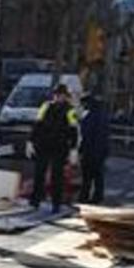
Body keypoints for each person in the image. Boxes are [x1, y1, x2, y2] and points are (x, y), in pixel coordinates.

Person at [28, 83, 79, 212]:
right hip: (43, 145)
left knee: (57, 176)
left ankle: (56, 203)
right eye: (56, 95)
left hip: (60, 147)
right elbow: (37, 124)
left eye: (61, 95)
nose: (58, 97)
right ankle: (35, 201)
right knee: (39, 174)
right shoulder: (45, 106)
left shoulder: (70, 110)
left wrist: (73, 148)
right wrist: (30, 141)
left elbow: (74, 130)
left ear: (65, 96)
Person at [78, 93, 111, 204]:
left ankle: (84, 196)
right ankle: (97, 196)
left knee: (87, 176)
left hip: (91, 150)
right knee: (98, 175)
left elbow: (86, 134)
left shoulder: (90, 116)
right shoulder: (102, 115)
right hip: (100, 151)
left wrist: (81, 150)